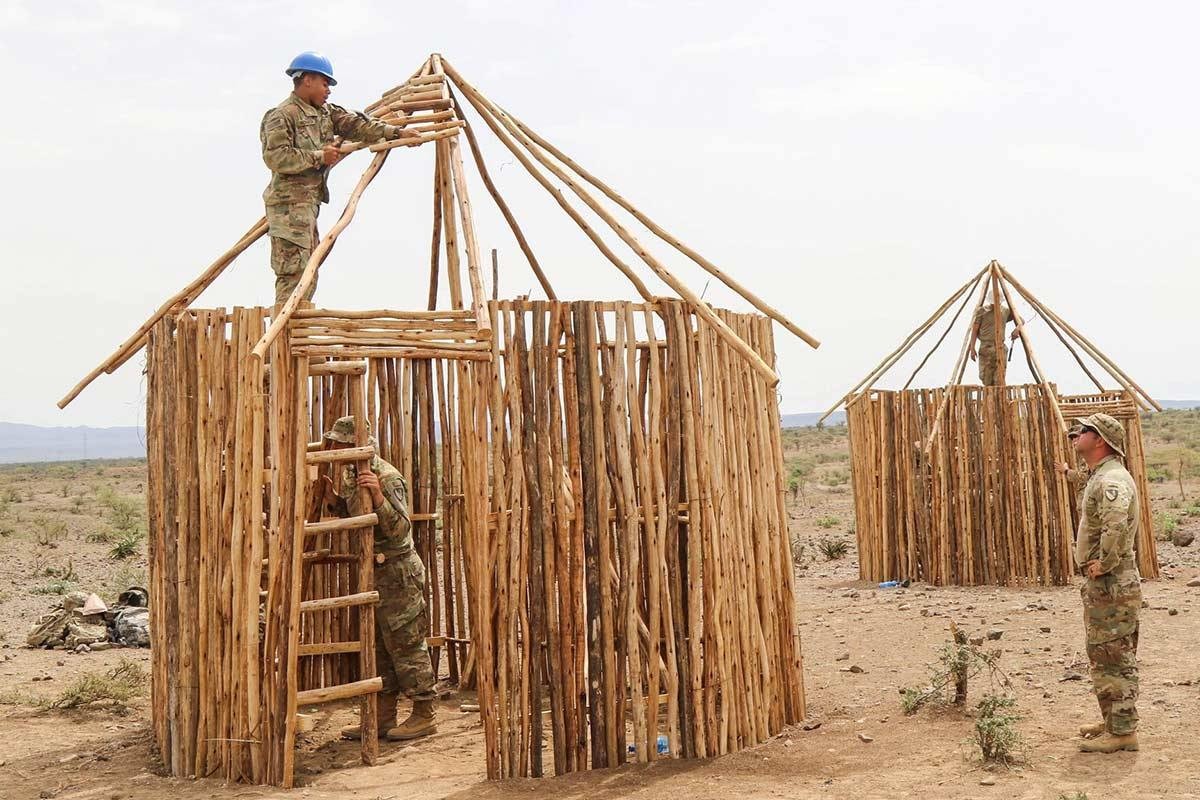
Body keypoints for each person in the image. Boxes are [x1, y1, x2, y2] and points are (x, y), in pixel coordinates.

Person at [319, 416, 437, 741]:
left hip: (398, 572)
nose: (336, 450)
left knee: (407, 641)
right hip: (374, 572)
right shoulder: (349, 475)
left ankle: (424, 713)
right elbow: (357, 516)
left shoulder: (386, 476)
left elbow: (401, 529)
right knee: (380, 647)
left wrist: (380, 498)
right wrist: (334, 502)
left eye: (340, 444)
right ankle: (384, 717)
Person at [261, 52, 412, 306]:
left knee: (308, 273)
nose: (328, 90)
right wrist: (319, 156)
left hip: (308, 206)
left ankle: (297, 335)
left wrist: (395, 131)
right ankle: (286, 338)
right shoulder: (282, 116)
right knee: (293, 274)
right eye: (324, 83)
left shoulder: (325, 114)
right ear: (307, 79)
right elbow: (276, 157)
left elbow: (357, 126)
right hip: (288, 208)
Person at [1071, 413, 1141, 753]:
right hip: (1110, 581)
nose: (1077, 435)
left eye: (1084, 431)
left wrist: (1106, 562)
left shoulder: (1110, 480)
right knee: (1104, 652)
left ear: (1100, 440)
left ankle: (1123, 732)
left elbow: (1115, 523)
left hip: (1112, 580)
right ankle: (1113, 721)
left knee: (1113, 654)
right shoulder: (1102, 475)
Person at [967, 302, 1021, 386]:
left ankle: (999, 397)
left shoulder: (1004, 311)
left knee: (999, 378)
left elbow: (1020, 320)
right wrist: (972, 348)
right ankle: (990, 397)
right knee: (985, 377)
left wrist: (1017, 329)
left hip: (1000, 347)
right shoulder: (982, 311)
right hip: (986, 347)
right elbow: (974, 330)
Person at [1057, 424, 1091, 509]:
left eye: (1077, 437)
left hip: (1089, 503)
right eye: (1072, 438)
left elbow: (1085, 477)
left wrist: (1066, 471)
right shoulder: (1082, 454)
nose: (1074, 440)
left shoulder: (1089, 454)